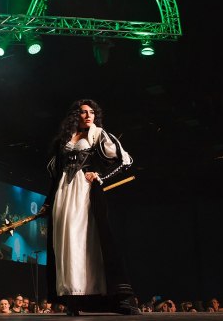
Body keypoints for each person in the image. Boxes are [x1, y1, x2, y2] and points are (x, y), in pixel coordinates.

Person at [43, 99, 137, 316]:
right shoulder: (64, 139)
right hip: (63, 194)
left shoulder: (97, 134)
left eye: (92, 112)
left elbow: (125, 161)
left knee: (83, 240)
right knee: (64, 242)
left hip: (84, 193)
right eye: (83, 112)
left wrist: (99, 176)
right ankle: (71, 299)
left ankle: (94, 295)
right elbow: (56, 174)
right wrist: (47, 203)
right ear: (75, 115)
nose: (88, 116)